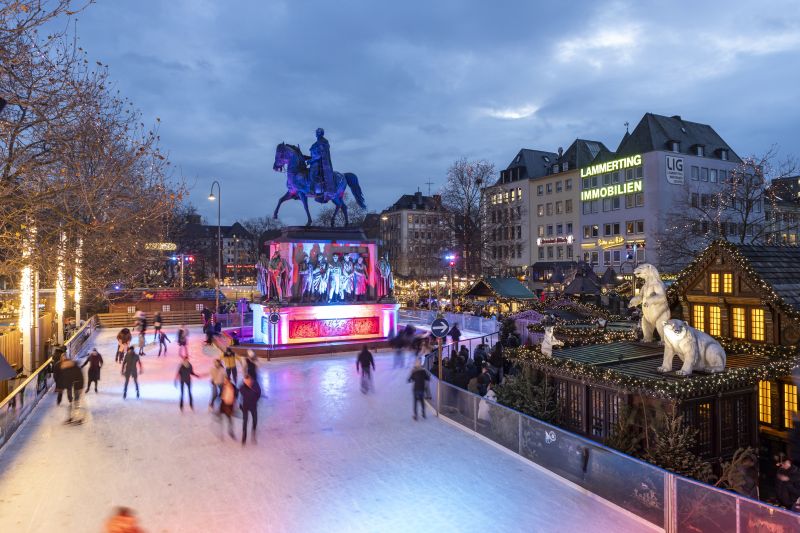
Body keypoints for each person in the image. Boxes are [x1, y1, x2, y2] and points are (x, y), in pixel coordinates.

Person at [239, 374, 261, 445]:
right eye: (245, 382)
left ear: (250, 380)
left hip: (253, 405)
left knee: (255, 420)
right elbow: (240, 397)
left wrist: (255, 400)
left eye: (248, 381)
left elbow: (259, 393)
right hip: (245, 406)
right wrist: (240, 405)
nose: (247, 383)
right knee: (245, 421)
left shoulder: (255, 385)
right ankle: (244, 436)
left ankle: (253, 433)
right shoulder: (242, 387)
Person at [219, 375, 237, 440]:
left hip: (229, 405)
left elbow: (235, 395)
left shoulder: (233, 387)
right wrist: (222, 396)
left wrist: (233, 401)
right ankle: (221, 434)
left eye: (226, 380)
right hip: (223, 404)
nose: (224, 381)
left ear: (229, 381)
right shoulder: (223, 386)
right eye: (224, 380)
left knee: (229, 419)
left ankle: (230, 432)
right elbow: (221, 395)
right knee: (221, 419)